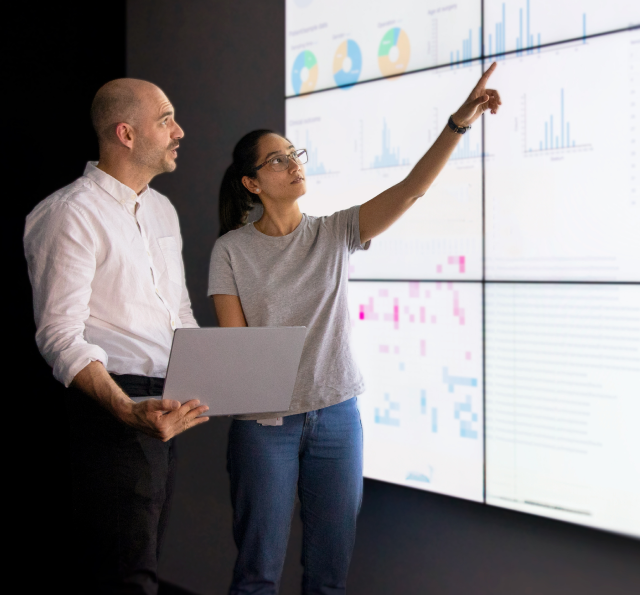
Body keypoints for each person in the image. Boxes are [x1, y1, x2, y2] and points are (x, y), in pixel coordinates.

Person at [209, 65, 501, 594]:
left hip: (337, 418)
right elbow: (237, 353)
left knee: (328, 578)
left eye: (295, 154)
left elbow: (411, 190)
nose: (293, 164)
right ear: (252, 182)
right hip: (265, 427)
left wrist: (458, 123)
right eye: (278, 159)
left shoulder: (334, 231)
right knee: (257, 574)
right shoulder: (230, 250)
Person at [23, 78, 209, 594]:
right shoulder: (68, 213)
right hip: (114, 408)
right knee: (126, 576)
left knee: (143, 560)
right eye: (165, 119)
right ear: (126, 134)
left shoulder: (162, 210)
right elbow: (59, 334)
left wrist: (214, 375)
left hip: (166, 405)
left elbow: (179, 313)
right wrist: (126, 409)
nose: (180, 131)